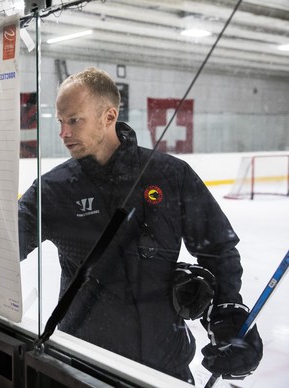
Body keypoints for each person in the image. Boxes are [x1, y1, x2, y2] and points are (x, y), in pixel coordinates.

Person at [18, 67, 263, 383]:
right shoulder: (53, 190)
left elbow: (218, 247)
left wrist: (229, 311)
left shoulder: (170, 175)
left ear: (109, 117)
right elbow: (6, 244)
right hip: (83, 365)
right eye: (60, 123)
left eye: (74, 120)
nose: (63, 133)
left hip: (163, 368)